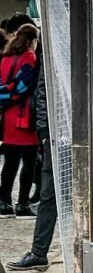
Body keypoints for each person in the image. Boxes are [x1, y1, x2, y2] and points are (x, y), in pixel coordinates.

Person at [7, 65, 58, 270]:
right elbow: (42, 94)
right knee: (49, 195)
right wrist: (45, 132)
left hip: (89, 130)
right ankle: (39, 251)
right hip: (57, 135)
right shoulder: (52, 52)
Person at [0, 22, 40, 217]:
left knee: (9, 163)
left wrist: (4, 95)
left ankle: (4, 201)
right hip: (25, 117)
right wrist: (12, 93)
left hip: (7, 117)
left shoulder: (5, 58)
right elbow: (23, 86)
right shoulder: (29, 58)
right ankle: (23, 204)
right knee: (29, 162)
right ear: (32, 40)